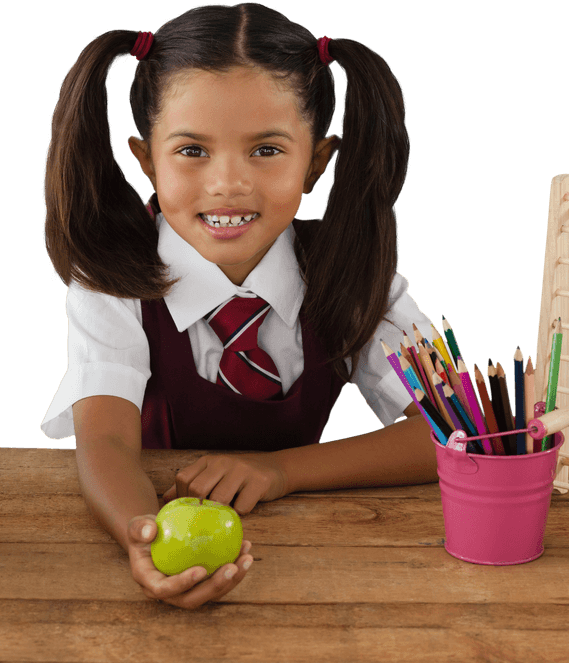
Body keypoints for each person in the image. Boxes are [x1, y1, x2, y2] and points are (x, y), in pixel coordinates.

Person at [41, 2, 438, 609]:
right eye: (192, 151)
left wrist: (281, 472)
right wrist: (140, 538)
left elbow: (449, 430)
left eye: (267, 150)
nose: (228, 182)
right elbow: (106, 444)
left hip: (315, 575)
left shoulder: (357, 274)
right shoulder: (112, 279)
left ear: (318, 162)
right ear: (146, 158)